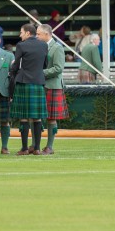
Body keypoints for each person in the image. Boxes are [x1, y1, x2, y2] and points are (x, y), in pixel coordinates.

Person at [10, 23, 48, 155]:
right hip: (38, 82)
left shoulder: (21, 45)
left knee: (24, 118)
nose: (20, 35)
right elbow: (45, 64)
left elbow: (15, 65)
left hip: (24, 82)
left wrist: (12, 74)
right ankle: (37, 148)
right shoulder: (44, 45)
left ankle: (25, 148)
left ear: (27, 33)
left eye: (21, 32)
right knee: (37, 118)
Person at [36, 24, 69, 154]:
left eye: (38, 34)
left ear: (46, 34)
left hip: (53, 86)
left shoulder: (57, 48)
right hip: (40, 85)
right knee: (36, 116)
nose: (37, 36)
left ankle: (50, 146)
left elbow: (58, 68)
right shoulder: (40, 47)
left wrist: (40, 73)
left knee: (51, 118)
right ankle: (36, 145)